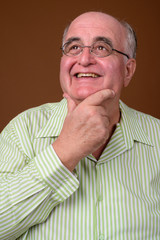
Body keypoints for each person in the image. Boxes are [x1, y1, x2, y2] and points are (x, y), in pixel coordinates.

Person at [0, 11, 159, 240]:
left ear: (128, 70)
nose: (84, 59)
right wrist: (64, 152)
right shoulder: (22, 130)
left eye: (101, 48)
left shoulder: (157, 138)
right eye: (74, 47)